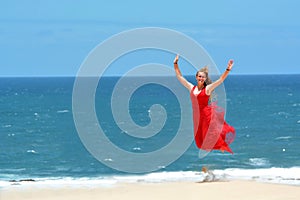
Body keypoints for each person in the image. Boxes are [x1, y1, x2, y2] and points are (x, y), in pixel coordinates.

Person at [173, 54, 235, 153]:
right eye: (199, 76)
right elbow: (179, 76)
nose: (201, 78)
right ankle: (219, 146)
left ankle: (221, 145)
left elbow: (220, 80)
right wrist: (175, 63)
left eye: (203, 77)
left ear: (205, 79)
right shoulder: (191, 88)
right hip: (196, 116)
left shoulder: (207, 89)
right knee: (199, 142)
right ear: (196, 77)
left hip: (206, 115)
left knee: (209, 136)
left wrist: (228, 69)